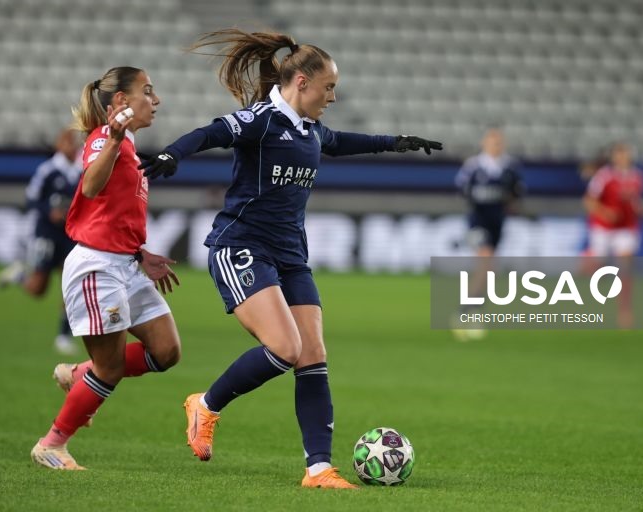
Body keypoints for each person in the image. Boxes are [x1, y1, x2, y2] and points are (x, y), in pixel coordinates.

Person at [138, 29, 442, 489]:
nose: (333, 97)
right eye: (328, 87)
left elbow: (340, 141)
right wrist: (172, 153)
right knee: (285, 348)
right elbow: (211, 132)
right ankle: (206, 404)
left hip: (291, 255)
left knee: (313, 355)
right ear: (302, 82)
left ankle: (318, 469)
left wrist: (394, 141)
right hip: (241, 247)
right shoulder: (262, 120)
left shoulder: (309, 129)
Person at [30, 66, 181, 470]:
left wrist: (140, 253)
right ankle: (52, 444)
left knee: (166, 351)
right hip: (97, 267)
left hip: (126, 264)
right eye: (147, 91)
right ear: (120, 101)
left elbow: (113, 213)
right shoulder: (104, 139)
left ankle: (80, 374)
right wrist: (112, 139)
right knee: (110, 368)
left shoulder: (128, 146)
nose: (156, 100)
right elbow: (91, 186)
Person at [0, 128, 83, 355]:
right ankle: (19, 276)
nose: (72, 146)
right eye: (68, 142)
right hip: (47, 234)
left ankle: (63, 336)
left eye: (74, 142)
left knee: (71, 285)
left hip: (71, 235)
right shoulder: (48, 170)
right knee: (38, 289)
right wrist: (49, 211)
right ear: (59, 145)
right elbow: (32, 198)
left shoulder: (81, 170)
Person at [452, 128, 524, 341]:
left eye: (499, 142)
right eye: (493, 142)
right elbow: (462, 190)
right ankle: (468, 312)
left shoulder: (510, 167)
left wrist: (511, 204)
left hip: (497, 223)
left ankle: (470, 309)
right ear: (484, 143)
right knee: (485, 260)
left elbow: (516, 193)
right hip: (478, 221)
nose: (496, 146)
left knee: (487, 270)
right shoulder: (474, 166)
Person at [582, 141, 643, 327]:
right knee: (595, 267)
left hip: (626, 227)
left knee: (625, 267)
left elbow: (635, 201)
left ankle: (624, 311)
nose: (622, 157)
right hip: (603, 228)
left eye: (625, 153)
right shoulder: (604, 176)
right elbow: (589, 201)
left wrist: (639, 208)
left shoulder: (636, 176)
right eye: (619, 154)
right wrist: (604, 212)